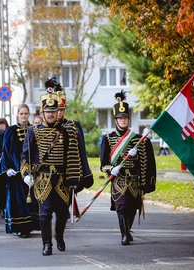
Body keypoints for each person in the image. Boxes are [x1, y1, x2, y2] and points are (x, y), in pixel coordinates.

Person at [20, 79, 94, 256]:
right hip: (43, 179)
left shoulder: (67, 130)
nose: (51, 114)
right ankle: (47, 244)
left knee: (62, 214)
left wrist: (78, 176)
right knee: (44, 214)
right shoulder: (33, 131)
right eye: (48, 111)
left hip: (61, 180)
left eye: (54, 111)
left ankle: (58, 235)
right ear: (43, 112)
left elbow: (76, 154)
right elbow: (25, 156)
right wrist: (26, 173)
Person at [100, 90, 156, 245]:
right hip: (119, 179)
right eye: (120, 118)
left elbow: (146, 162)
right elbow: (103, 164)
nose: (123, 120)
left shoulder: (139, 140)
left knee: (132, 207)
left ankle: (127, 230)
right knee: (122, 206)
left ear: (128, 119)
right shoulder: (108, 138)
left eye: (125, 118)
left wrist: (145, 181)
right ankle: (124, 235)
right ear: (116, 120)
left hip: (134, 180)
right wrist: (111, 169)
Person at [0, 104, 40, 238]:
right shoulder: (10, 130)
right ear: (17, 115)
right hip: (15, 172)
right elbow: (6, 152)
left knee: (31, 199)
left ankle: (31, 225)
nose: (23, 116)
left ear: (29, 115)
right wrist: (7, 168)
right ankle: (21, 227)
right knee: (18, 200)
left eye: (26, 114)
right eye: (21, 114)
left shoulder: (33, 130)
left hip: (30, 171)